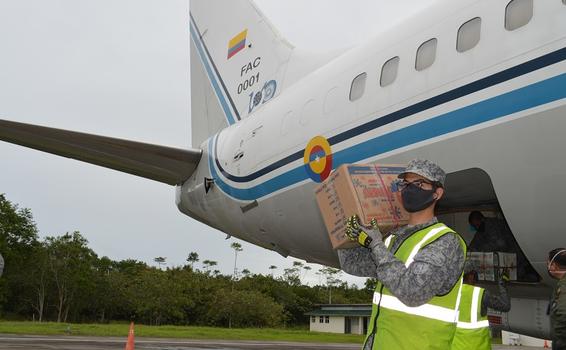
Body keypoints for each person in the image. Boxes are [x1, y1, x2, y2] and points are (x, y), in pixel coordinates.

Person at [338, 159, 466, 350]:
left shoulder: (446, 241)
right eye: (406, 184)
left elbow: (412, 292)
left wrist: (376, 245)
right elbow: (351, 264)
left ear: (437, 193)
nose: (410, 189)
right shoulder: (394, 238)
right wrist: (344, 231)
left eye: (419, 184)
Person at [451, 267, 511, 350]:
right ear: (471, 276)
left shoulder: (451, 293)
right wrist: (502, 284)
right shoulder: (480, 294)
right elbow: (505, 305)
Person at [468, 211, 539, 282]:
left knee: (521, 277)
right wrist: (468, 252)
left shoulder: (492, 224)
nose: (476, 227)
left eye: (477, 225)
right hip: (509, 256)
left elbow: (500, 243)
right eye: (474, 226)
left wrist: (480, 250)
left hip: (516, 253)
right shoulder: (481, 228)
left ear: (482, 219)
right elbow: (475, 242)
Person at [548, 248, 566, 350]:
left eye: (549, 263)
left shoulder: (563, 288)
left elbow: (564, 314)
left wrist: (560, 342)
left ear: (554, 265)